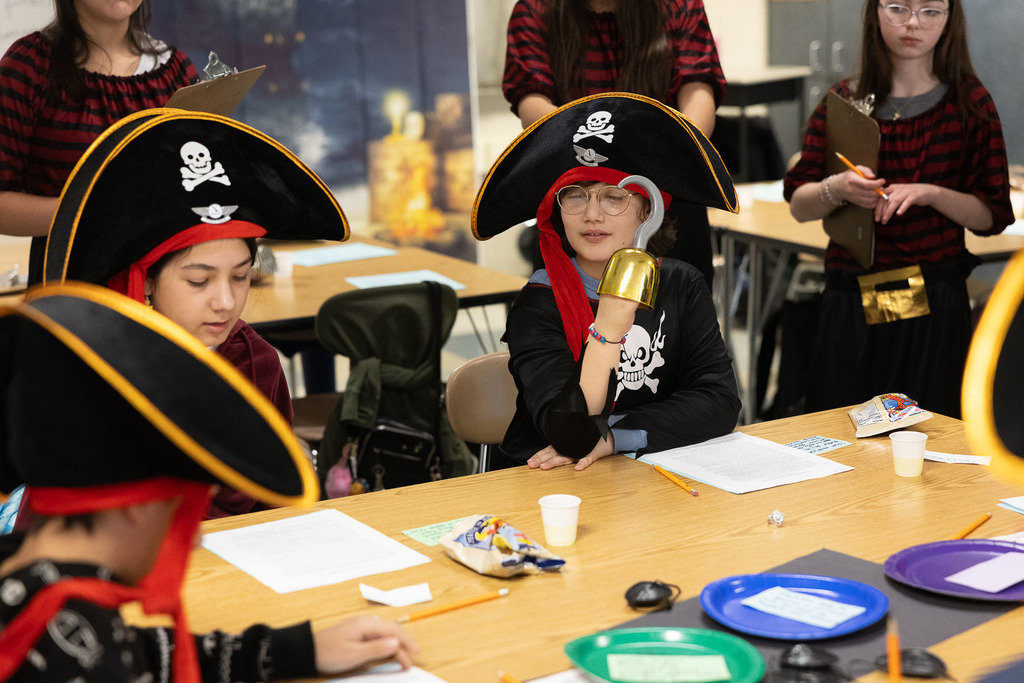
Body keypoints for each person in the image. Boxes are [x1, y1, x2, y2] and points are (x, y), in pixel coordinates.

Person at [0, 283, 418, 681]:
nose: (196, 540)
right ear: (136, 507)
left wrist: (296, 651)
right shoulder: (75, 650)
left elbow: (133, 648)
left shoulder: (31, 584)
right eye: (186, 514)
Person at [41, 108, 350, 517]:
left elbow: (275, 504)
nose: (225, 301)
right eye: (199, 281)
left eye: (239, 277)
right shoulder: (102, 374)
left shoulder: (255, 363)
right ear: (147, 279)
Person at [473, 93, 741, 470]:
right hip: (549, 486)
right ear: (557, 211)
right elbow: (569, 437)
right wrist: (607, 331)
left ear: (647, 209)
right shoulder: (538, 302)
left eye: (614, 197)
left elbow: (719, 401)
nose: (592, 215)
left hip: (646, 478)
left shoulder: (681, 283)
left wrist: (617, 437)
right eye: (575, 197)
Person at [783, 0, 1013, 418]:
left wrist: (931, 193)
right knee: (841, 437)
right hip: (851, 299)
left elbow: (991, 217)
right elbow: (799, 204)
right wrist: (839, 188)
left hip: (932, 303)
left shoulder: (969, 104)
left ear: (949, 20)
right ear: (874, 13)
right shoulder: (847, 100)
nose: (912, 23)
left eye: (930, 11)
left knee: (931, 441)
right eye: (898, 8)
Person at [502, 0, 726, 287]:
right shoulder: (536, 9)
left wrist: (672, 149)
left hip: (666, 195)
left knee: (677, 317)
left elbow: (698, 95)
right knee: (569, 321)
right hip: (576, 197)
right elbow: (531, 101)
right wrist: (599, 151)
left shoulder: (679, 5)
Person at [0, 0, 198, 282]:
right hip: (72, 290)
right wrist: (91, 212)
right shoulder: (29, 66)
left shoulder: (176, 70)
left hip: (165, 290)